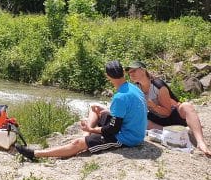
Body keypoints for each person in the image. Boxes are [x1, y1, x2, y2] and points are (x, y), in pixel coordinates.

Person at [15, 60, 147, 160]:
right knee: (95, 108)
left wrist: (91, 130)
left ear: (107, 76)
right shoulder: (133, 87)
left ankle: (35, 154)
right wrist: (106, 111)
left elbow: (113, 129)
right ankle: (85, 135)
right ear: (123, 72)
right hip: (132, 129)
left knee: (77, 143)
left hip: (126, 138)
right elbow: (127, 113)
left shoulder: (120, 97)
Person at [126, 60, 211, 156]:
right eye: (129, 72)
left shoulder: (158, 85)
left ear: (143, 70)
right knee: (139, 119)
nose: (131, 74)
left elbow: (167, 112)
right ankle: (176, 132)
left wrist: (152, 105)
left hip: (173, 115)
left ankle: (200, 142)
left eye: (133, 71)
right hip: (158, 119)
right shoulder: (136, 88)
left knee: (187, 106)